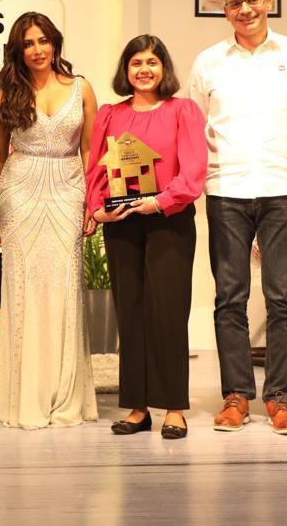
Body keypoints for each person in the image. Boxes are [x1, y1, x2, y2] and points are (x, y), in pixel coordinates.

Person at [189, 0, 287, 436]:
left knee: (282, 298)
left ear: (268, 0)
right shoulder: (208, 62)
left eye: (252, 0)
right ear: (224, 11)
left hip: (282, 190)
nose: (244, 10)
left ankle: (280, 398)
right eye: (234, 4)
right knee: (230, 298)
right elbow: (195, 126)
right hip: (226, 190)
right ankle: (236, 397)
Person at [86, 35, 207, 438]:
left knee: (168, 313)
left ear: (164, 69)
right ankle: (138, 407)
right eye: (136, 62)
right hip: (122, 221)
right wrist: (97, 208)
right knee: (131, 313)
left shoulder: (182, 111)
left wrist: (159, 202)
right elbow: (96, 170)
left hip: (168, 219)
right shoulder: (110, 114)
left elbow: (193, 172)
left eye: (152, 62)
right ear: (126, 70)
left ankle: (174, 407)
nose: (144, 70)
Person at [0, 12, 99, 429]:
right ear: (19, 50)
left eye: (43, 41)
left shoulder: (82, 88)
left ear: (55, 44)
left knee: (64, 290)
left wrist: (92, 201)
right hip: (20, 192)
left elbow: (90, 150)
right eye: (28, 43)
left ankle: (64, 397)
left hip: (69, 191)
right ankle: (24, 398)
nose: (37, 50)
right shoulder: (7, 94)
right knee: (24, 291)